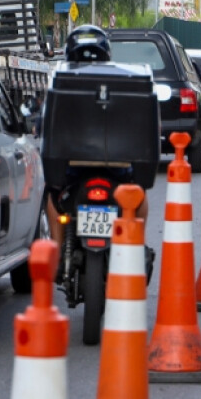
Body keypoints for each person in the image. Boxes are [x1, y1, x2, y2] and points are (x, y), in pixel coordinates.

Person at [45, 25, 150, 267]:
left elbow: (44, 125)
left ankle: (59, 251)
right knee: (140, 202)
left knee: (52, 200)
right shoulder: (123, 81)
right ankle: (136, 251)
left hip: (71, 174)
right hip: (119, 173)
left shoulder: (61, 82)